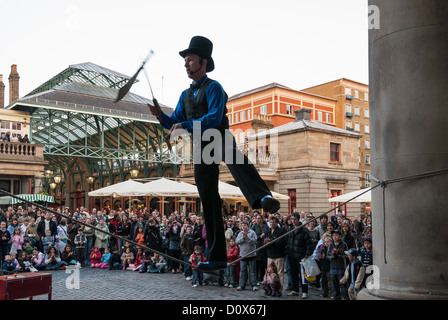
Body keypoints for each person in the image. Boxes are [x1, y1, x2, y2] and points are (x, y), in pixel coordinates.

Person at [148, 36, 280, 270]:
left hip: (217, 136)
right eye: (185, 61)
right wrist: (160, 115)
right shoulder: (185, 95)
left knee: (237, 163)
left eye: (190, 60)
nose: (186, 65)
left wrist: (185, 126)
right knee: (208, 198)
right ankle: (217, 256)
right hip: (200, 147)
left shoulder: (215, 87)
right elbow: (173, 122)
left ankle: (263, 197)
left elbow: (214, 118)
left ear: (204, 62)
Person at [286, 212, 315, 299]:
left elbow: (310, 244)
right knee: (293, 273)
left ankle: (304, 291)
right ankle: (295, 290)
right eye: (292, 219)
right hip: (291, 255)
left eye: (295, 219)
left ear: (298, 219)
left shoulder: (304, 230)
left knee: (302, 274)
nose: (293, 221)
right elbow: (287, 241)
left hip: (301, 255)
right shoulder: (290, 230)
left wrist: (307, 253)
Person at [263, 216, 286, 294]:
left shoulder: (281, 231)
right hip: (270, 254)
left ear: (277, 223)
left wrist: (271, 241)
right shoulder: (267, 231)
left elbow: (281, 242)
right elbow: (265, 243)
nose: (272, 224)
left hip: (279, 255)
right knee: (269, 272)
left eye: (273, 222)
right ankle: (270, 288)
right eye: (270, 222)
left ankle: (279, 289)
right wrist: (266, 242)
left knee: (279, 273)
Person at [235, 220, 258, 291]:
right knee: (242, 271)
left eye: (244, 225)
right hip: (243, 255)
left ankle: (254, 284)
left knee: (252, 271)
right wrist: (243, 238)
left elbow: (254, 242)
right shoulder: (240, 233)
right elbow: (237, 242)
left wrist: (247, 238)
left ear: (248, 226)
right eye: (242, 225)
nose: (243, 227)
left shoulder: (252, 233)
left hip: (251, 255)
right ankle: (241, 285)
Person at [327, 230, 349, 300]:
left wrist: (338, 253)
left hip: (341, 268)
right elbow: (328, 255)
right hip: (333, 268)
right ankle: (336, 297)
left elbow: (346, 255)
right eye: (333, 235)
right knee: (334, 285)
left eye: (336, 235)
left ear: (340, 236)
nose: (335, 237)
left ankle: (345, 297)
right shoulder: (331, 244)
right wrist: (333, 254)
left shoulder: (344, 244)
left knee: (343, 285)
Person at [251, 213, 270, 283]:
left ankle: (262, 277)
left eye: (259, 218)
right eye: (257, 218)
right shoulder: (254, 226)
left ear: (262, 219)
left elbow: (269, 233)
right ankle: (256, 278)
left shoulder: (266, 226)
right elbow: (252, 235)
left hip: (264, 247)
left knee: (263, 263)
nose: (258, 220)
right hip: (257, 246)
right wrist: (260, 236)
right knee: (257, 263)